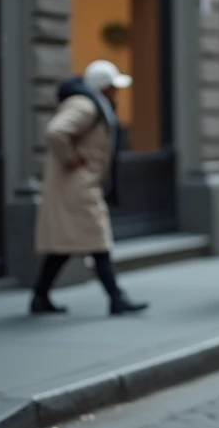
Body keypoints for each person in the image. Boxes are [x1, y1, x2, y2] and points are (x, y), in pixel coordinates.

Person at [31, 60, 148, 316]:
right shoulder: (85, 105)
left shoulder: (94, 104)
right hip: (78, 187)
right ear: (103, 88)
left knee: (63, 247)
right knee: (98, 242)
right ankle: (116, 298)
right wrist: (74, 160)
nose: (117, 92)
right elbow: (56, 132)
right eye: (113, 87)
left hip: (80, 185)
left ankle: (40, 296)